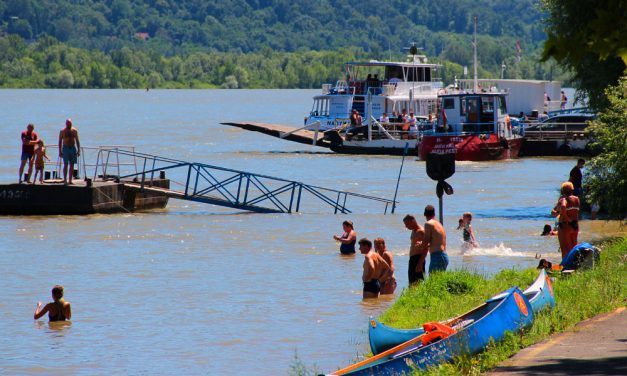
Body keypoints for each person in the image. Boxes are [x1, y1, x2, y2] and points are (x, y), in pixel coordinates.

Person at [551, 182, 580, 259]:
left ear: (562, 191)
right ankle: (574, 264)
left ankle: (565, 266)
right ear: (572, 189)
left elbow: (563, 207)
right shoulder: (577, 199)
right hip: (575, 225)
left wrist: (564, 216)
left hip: (565, 225)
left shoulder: (563, 199)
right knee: (573, 248)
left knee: (564, 249)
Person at [420, 205, 449, 273]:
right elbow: (436, 242)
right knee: (439, 281)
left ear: (424, 214)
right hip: (443, 255)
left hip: (437, 256)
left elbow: (425, 242)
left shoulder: (428, 224)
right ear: (434, 214)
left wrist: (420, 244)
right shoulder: (439, 224)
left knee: (433, 281)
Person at [403, 214, 425, 284]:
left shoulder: (421, 231)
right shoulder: (413, 230)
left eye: (407, 224)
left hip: (418, 259)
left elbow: (426, 248)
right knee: (412, 282)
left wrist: (420, 263)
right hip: (413, 259)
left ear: (413, 221)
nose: (406, 226)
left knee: (418, 282)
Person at [58, 118, 81, 185]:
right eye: (68, 123)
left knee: (72, 164)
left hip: (73, 148)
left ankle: (70, 180)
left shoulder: (74, 130)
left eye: (70, 123)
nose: (69, 124)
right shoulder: (62, 131)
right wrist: (60, 151)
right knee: (65, 164)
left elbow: (77, 140)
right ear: (66, 123)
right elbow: (60, 141)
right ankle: (65, 179)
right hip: (65, 148)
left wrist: (79, 150)